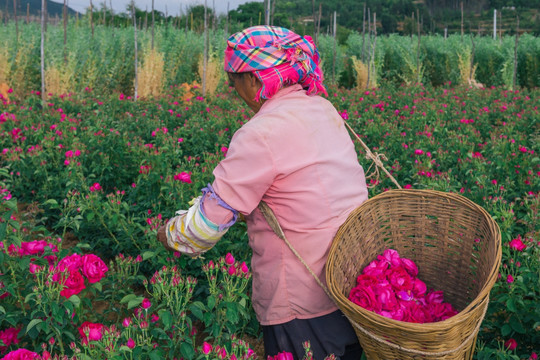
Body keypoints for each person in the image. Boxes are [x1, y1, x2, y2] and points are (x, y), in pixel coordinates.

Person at [158, 25, 368, 360]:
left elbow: (202, 229)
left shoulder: (262, 133)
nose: (232, 88)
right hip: (351, 285)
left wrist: (168, 234)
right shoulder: (323, 109)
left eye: (234, 79)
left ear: (255, 80)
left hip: (303, 301)